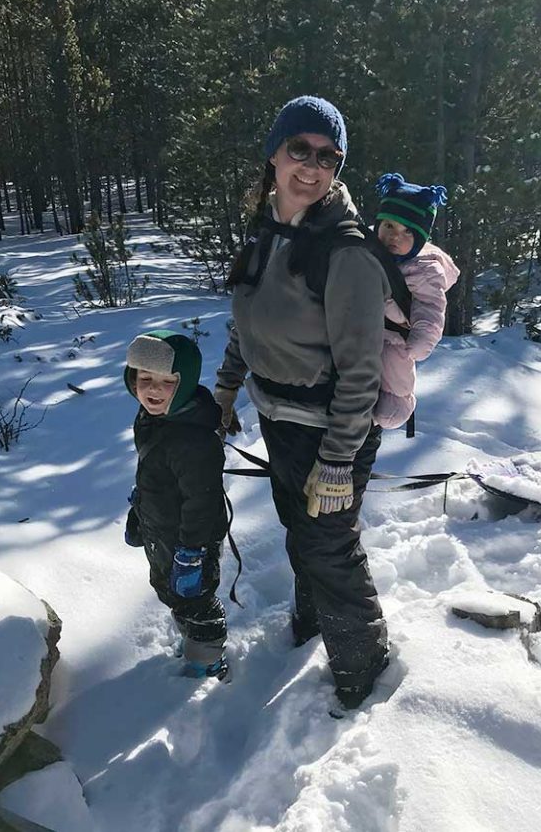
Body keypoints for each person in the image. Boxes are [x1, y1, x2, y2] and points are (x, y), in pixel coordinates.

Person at [215, 95, 390, 709]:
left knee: (327, 545)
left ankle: (363, 668)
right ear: (274, 153)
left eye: (328, 156)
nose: (312, 166)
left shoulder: (346, 253)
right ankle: (312, 622)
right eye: (300, 150)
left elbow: (362, 371)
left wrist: (338, 459)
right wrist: (226, 388)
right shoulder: (267, 230)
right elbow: (247, 320)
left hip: (330, 431)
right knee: (300, 529)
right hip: (279, 418)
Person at [124, 329, 229, 679]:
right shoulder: (154, 419)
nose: (153, 389)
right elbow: (154, 476)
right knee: (172, 592)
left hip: (189, 541)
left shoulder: (191, 441)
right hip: (164, 533)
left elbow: (202, 502)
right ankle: (191, 636)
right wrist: (139, 513)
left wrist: (192, 553)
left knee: (197, 602)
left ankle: (208, 660)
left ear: (184, 383)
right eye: (145, 378)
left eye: (167, 380)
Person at [372, 173, 461, 430]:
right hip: (364, 333)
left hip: (398, 340)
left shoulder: (424, 269)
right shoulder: (365, 251)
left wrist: (420, 342)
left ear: (420, 239)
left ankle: (395, 409)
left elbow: (431, 308)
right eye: (388, 226)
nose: (394, 236)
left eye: (407, 231)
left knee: (395, 381)